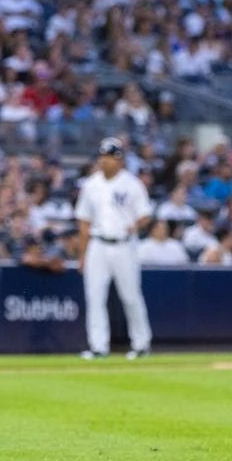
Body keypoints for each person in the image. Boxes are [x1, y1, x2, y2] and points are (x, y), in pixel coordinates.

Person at [74, 138, 154, 360]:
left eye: (110, 157)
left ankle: (141, 344)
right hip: (98, 244)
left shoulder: (132, 184)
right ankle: (98, 346)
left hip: (124, 244)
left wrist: (135, 225)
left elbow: (145, 214)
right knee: (95, 297)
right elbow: (83, 221)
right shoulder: (91, 184)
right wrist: (82, 255)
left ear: (119, 159)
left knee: (130, 296)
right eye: (103, 157)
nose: (106, 161)